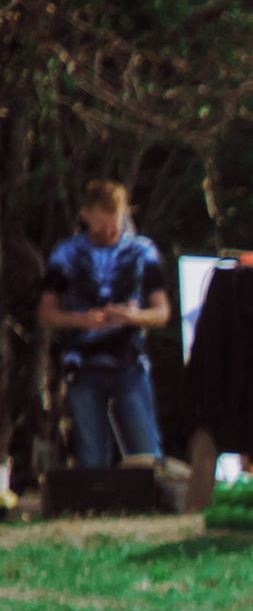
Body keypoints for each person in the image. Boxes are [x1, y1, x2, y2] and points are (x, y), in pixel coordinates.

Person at [39, 180, 171, 468]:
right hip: (83, 363)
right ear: (86, 215)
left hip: (130, 362)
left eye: (115, 225)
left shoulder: (142, 251)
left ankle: (150, 505)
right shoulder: (66, 254)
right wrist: (81, 320)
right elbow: (46, 314)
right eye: (101, 225)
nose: (109, 232)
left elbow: (161, 312)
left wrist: (131, 317)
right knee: (92, 458)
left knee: (146, 453)